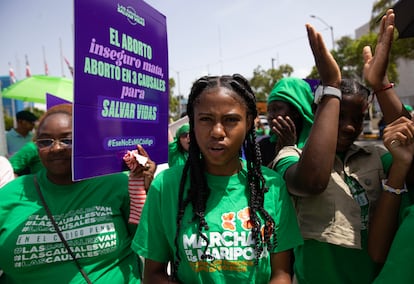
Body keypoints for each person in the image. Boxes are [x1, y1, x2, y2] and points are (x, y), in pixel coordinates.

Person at [271, 10, 409, 284]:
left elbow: (410, 149)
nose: (348, 126)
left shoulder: (377, 157)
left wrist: (381, 85)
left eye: (356, 118)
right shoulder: (291, 157)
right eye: (339, 115)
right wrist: (331, 88)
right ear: (322, 112)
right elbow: (311, 182)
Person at [132, 74, 303, 283]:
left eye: (231, 120)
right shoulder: (166, 186)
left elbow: (281, 273)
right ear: (193, 123)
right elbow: (153, 274)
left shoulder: (272, 186)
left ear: (249, 122)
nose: (217, 132)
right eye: (205, 119)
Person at [0, 103, 155, 283]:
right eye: (45, 141)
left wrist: (144, 190)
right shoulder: (10, 194)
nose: (56, 148)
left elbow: (147, 241)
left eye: (68, 140)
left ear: (85, 140)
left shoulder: (115, 184)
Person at [257, 77, 314, 167]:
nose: (271, 116)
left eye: (277, 109)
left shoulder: (315, 146)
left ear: (297, 111)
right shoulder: (262, 146)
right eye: (269, 110)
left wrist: (288, 149)